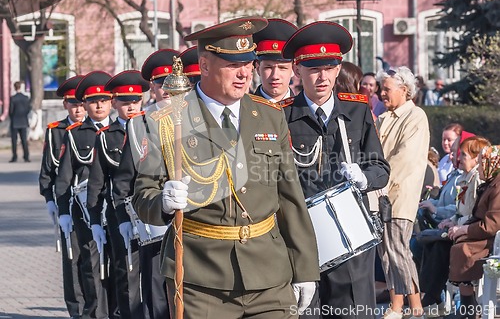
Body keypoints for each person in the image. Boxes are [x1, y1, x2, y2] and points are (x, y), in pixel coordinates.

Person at [132, 16, 320, 319]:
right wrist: (162, 203)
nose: (244, 73)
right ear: (205, 65)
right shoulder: (167, 122)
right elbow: (143, 196)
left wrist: (305, 267)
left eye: (248, 63)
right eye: (233, 65)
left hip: (269, 274)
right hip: (201, 278)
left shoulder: (269, 116)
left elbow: (290, 198)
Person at [281, 21, 390, 318]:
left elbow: (380, 167)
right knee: (307, 312)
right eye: (313, 68)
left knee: (353, 311)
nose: (322, 77)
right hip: (304, 237)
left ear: (338, 68)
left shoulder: (356, 110)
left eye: (329, 68)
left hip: (351, 235)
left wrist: (363, 176)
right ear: (297, 70)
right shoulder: (283, 116)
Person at [113, 48, 179, 319]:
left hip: (193, 221)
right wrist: (124, 218)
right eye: (160, 84)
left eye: (171, 82)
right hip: (154, 221)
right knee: (156, 295)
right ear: (151, 87)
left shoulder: (198, 119)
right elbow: (124, 178)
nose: (166, 89)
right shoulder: (139, 124)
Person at [86, 70, 149, 319]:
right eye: (124, 101)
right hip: (121, 213)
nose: (131, 106)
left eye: (135, 101)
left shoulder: (151, 129)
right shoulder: (106, 137)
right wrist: (94, 221)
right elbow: (97, 183)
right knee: (127, 272)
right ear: (115, 102)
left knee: (154, 271)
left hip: (152, 209)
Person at [55, 71, 114, 319]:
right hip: (87, 210)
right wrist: (63, 211)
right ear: (85, 104)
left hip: (117, 208)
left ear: (111, 101)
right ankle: (94, 314)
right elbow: (64, 177)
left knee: (121, 267)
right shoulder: (76, 133)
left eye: (103, 99)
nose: (98, 105)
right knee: (91, 265)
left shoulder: (123, 129)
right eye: (92, 101)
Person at [376, 66, 430, 319]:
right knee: (386, 252)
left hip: (399, 196)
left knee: (398, 249)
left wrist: (376, 180)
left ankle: (415, 306)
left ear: (404, 90)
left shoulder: (416, 116)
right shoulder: (383, 117)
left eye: (386, 89)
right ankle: (396, 306)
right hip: (379, 197)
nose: (381, 94)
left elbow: (405, 159)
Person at [419, 136, 490, 316]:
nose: (459, 158)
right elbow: (463, 210)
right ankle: (432, 295)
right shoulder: (467, 178)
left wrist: (458, 224)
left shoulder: (477, 181)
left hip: (476, 236)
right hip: (463, 228)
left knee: (441, 247)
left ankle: (439, 298)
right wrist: (452, 220)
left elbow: (475, 214)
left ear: (476, 159)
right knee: (428, 242)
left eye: (464, 155)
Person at [39, 75, 86, 319]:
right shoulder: (55, 131)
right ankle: (76, 309)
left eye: (81, 103)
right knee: (72, 257)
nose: (78, 109)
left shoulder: (92, 130)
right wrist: (49, 199)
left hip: (91, 203)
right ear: (65, 105)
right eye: (73, 104)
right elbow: (48, 169)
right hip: (66, 200)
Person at [448, 145, 500, 318]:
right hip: (483, 233)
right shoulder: (491, 183)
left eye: (481, 162)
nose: (478, 167)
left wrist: (465, 229)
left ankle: (467, 306)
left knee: (461, 249)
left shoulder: (498, 187)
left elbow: (492, 224)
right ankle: (460, 302)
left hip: (492, 239)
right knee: (442, 243)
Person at [252, 18, 297, 103]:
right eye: (268, 67)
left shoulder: (308, 111)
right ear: (258, 68)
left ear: (294, 69)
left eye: (282, 68)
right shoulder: (243, 111)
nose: (275, 76)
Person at [8, 81, 31, 162]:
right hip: (24, 121)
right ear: (20, 87)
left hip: (15, 122)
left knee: (14, 140)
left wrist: (12, 117)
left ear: (14, 87)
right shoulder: (25, 98)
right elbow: (28, 109)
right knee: (24, 140)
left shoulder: (13, 98)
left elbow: (10, 111)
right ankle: (26, 156)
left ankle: (14, 157)